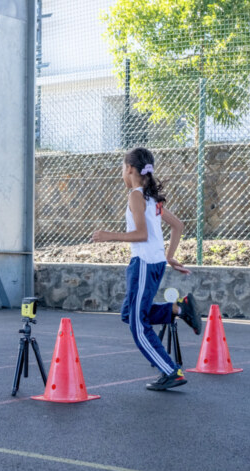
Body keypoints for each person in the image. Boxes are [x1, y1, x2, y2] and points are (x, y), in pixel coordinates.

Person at [92, 147, 202, 391]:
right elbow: (178, 226)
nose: (122, 172)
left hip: (142, 264)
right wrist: (169, 256)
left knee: (137, 324)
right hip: (153, 264)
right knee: (128, 314)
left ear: (130, 169)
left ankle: (171, 371)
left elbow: (141, 234)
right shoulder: (152, 198)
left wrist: (108, 235)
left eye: (123, 167)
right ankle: (179, 308)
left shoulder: (136, 195)